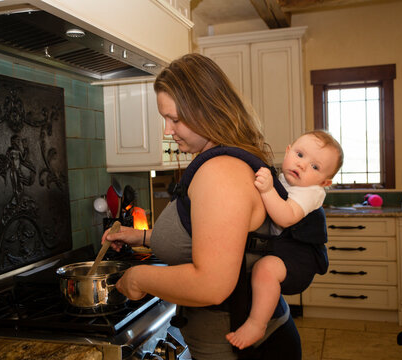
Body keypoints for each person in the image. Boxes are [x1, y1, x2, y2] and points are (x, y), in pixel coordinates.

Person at [102, 53, 302, 359]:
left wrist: (137, 278)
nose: (167, 131)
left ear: (207, 110)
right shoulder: (222, 161)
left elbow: (211, 285)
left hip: (243, 349)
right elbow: (215, 237)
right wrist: (141, 236)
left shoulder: (220, 172)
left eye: (175, 119)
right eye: (164, 119)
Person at [226, 130, 344, 350]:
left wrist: (268, 189)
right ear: (288, 151)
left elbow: (286, 216)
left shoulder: (311, 192)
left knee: (265, 269)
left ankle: (256, 324)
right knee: (261, 270)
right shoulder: (284, 179)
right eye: (300, 155)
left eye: (315, 167)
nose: (302, 165)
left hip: (301, 258)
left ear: (324, 182)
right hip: (285, 249)